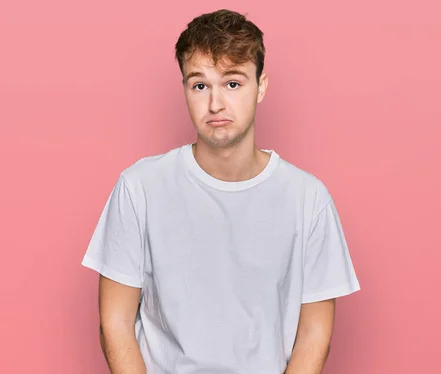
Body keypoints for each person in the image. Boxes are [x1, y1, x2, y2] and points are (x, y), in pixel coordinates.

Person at [81, 8, 360, 374]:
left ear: (260, 87)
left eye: (232, 83)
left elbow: (314, 332)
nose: (215, 104)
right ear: (184, 89)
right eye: (200, 85)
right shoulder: (139, 188)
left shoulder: (308, 199)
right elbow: (114, 321)